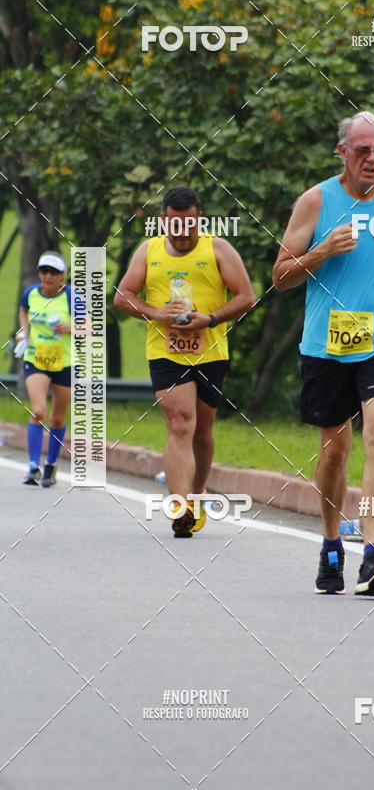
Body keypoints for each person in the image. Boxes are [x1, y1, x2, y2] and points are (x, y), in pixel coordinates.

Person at [273, 111, 374, 596]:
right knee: (335, 451)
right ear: (342, 151)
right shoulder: (316, 201)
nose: (373, 158)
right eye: (363, 149)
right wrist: (321, 251)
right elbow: (280, 276)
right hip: (328, 341)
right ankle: (331, 544)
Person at [114, 186, 254, 538]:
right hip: (166, 351)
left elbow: (246, 297)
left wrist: (210, 319)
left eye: (188, 223)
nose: (181, 230)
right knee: (180, 423)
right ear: (163, 220)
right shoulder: (149, 251)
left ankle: (196, 493)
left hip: (210, 352)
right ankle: (181, 508)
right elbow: (122, 296)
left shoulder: (218, 249)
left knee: (202, 432)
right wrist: (155, 313)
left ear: (199, 220)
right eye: (174, 223)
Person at [18, 252, 75, 486]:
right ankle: (33, 466)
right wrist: (25, 333)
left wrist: (69, 328)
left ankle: (50, 464)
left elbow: (90, 326)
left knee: (57, 419)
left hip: (64, 362)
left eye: (54, 272)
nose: (48, 276)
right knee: (39, 411)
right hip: (36, 358)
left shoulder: (71, 296)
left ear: (62, 276)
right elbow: (23, 310)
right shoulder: (31, 293)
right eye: (44, 271)